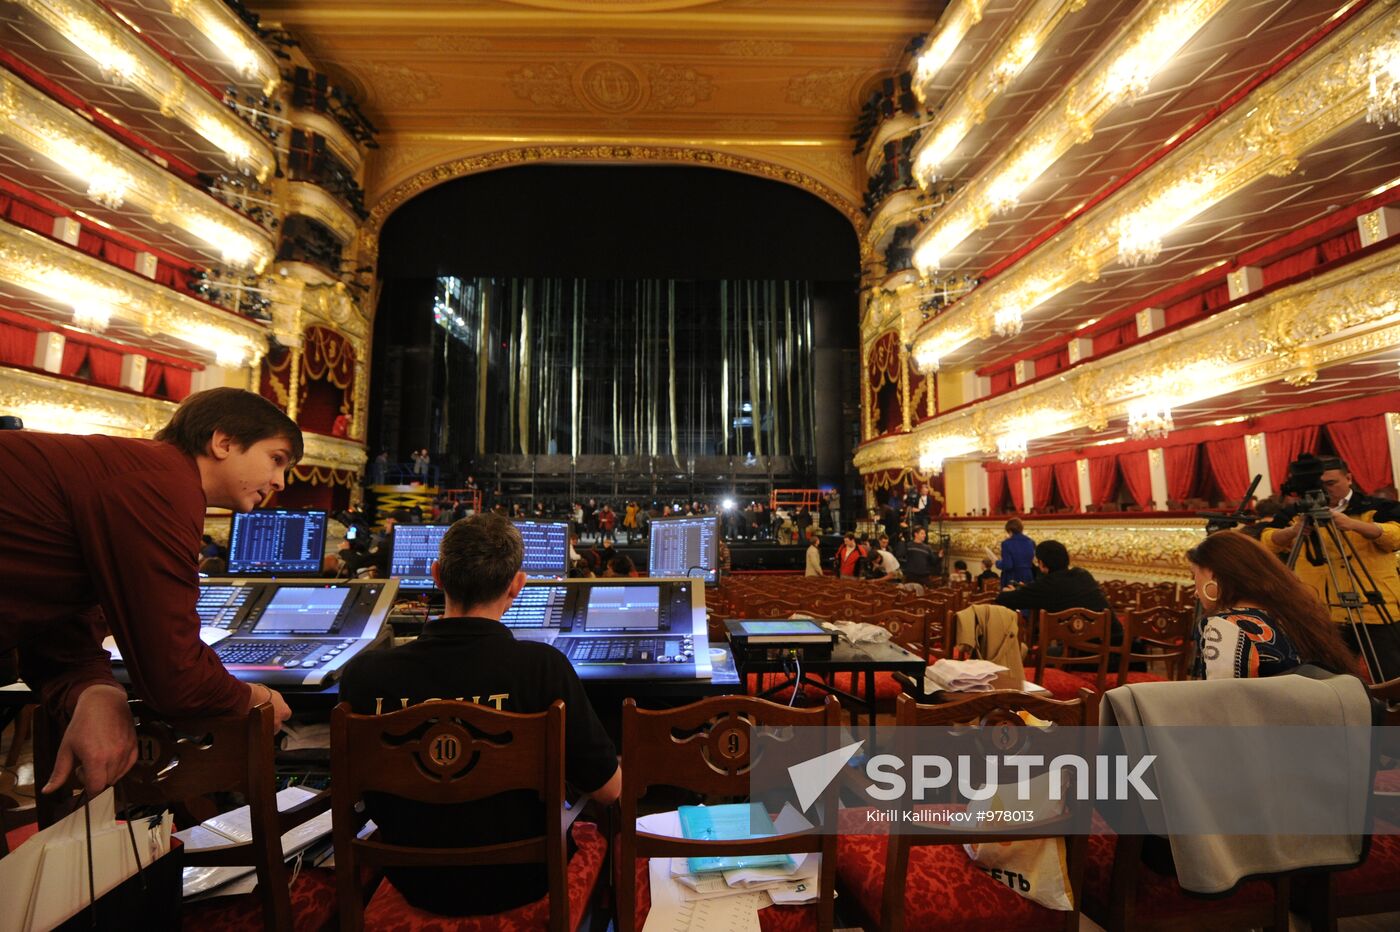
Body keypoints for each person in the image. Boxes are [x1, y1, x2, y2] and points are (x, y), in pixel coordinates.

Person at [0, 388, 298, 797]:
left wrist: (96, 690)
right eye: (277, 459)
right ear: (223, 442)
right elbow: (175, 677)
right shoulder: (161, 484)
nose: (280, 481)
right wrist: (254, 697)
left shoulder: (137, 471)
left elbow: (55, 609)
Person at [339, 514, 620, 916]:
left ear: (437, 576)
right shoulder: (542, 668)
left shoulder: (364, 675)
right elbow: (609, 791)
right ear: (517, 585)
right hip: (525, 882)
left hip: (413, 882)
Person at [1261, 454, 1400, 681]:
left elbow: (1395, 537)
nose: (1325, 489)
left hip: (1375, 608)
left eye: (1331, 483)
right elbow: (1267, 543)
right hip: (1322, 613)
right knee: (1328, 680)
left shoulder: (1375, 507)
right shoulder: (1295, 514)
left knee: (1390, 677)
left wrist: (1355, 525)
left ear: (1349, 478)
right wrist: (1292, 531)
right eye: (1320, 484)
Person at [1187, 530, 1355, 679]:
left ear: (1213, 575)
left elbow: (1224, 700)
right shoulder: (1297, 613)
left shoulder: (1225, 624)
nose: (1196, 592)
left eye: (1194, 575)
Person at [994, 540, 1110, 616]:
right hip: (1113, 640)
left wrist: (1013, 591)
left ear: (1042, 564)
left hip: (1085, 648)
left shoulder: (1047, 584)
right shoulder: (1083, 574)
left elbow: (1003, 599)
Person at [989, 518, 1036, 587]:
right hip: (1028, 576)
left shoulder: (1007, 543)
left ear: (1010, 531)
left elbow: (1008, 565)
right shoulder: (1031, 542)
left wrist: (997, 562)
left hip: (1013, 577)